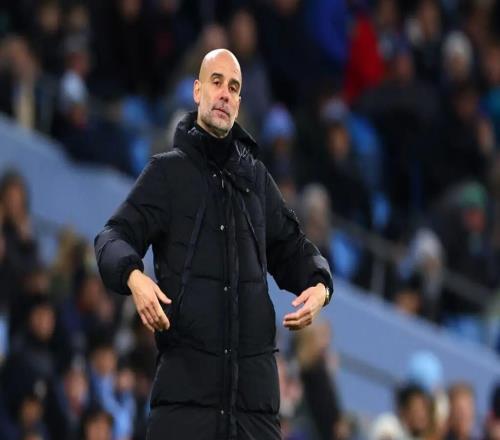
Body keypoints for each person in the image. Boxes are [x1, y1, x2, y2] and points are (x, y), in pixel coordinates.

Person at [94, 48, 333, 440]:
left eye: (234, 87)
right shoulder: (166, 173)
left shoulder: (256, 179)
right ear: (197, 91)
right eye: (216, 82)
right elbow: (111, 238)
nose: (224, 93)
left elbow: (294, 249)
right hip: (185, 408)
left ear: (239, 102)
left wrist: (321, 285)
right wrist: (134, 278)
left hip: (254, 413)